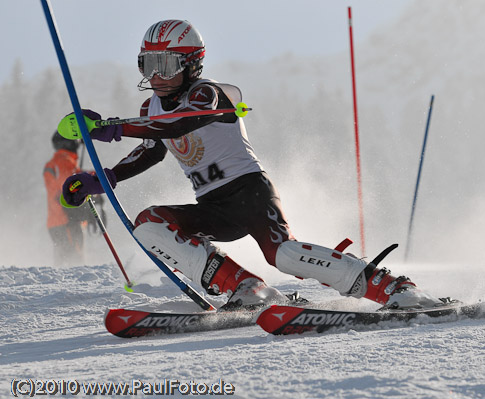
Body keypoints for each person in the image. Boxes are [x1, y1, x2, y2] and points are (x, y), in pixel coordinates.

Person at [61, 20, 442, 310]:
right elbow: (152, 148)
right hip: (213, 205)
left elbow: (180, 125)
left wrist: (110, 127)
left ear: (192, 64)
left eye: (166, 64)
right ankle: (248, 289)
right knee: (149, 224)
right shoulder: (151, 108)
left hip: (249, 191)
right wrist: (102, 178)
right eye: (148, 64)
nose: (156, 76)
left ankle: (392, 288)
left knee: (284, 255)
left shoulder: (206, 93)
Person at [44, 131, 92, 265]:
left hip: (58, 220)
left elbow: (75, 180)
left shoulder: (57, 162)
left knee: (63, 263)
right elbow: (70, 187)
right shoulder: (64, 162)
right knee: (74, 264)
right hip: (68, 220)